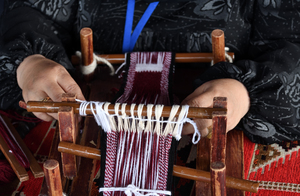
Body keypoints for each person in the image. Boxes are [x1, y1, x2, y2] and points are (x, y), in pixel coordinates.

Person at [0, 0, 299, 144]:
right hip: (94, 115)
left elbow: (291, 51)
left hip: (209, 123)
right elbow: (28, 9)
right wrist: (29, 62)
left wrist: (245, 93)